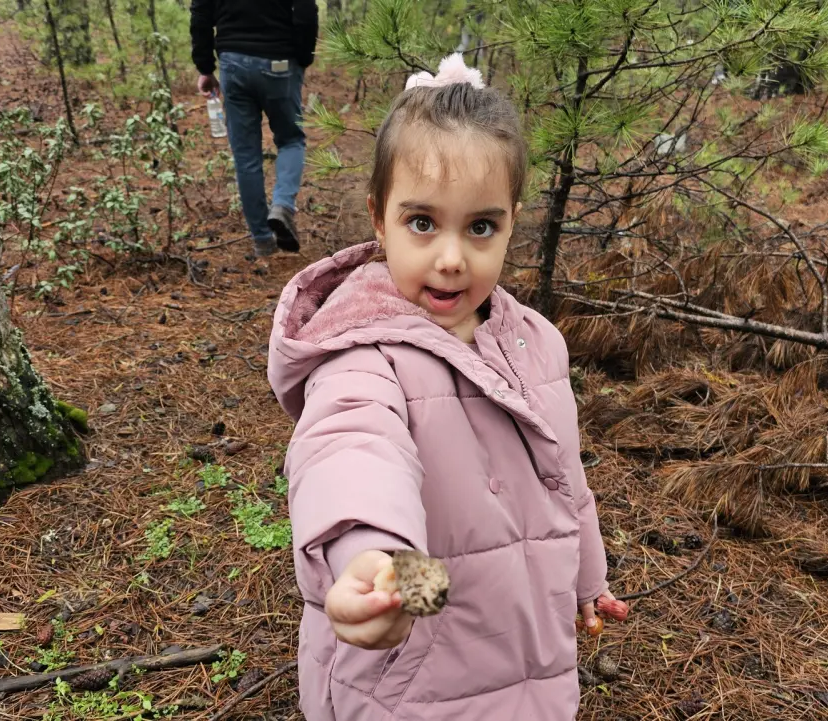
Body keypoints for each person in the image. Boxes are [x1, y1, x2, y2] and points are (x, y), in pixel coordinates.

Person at [266, 54, 623, 720]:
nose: (452, 258)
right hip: (415, 687)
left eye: (481, 226)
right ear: (380, 219)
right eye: (423, 223)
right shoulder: (362, 352)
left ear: (512, 221)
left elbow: (565, 482)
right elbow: (352, 448)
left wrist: (586, 578)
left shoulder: (536, 342)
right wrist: (374, 559)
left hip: (530, 664)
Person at [189, 0, 318, 257]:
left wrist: (205, 68)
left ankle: (262, 240)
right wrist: (303, 58)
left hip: (233, 64)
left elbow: (200, 13)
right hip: (281, 61)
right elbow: (305, 10)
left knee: (246, 155)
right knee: (291, 140)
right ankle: (283, 205)